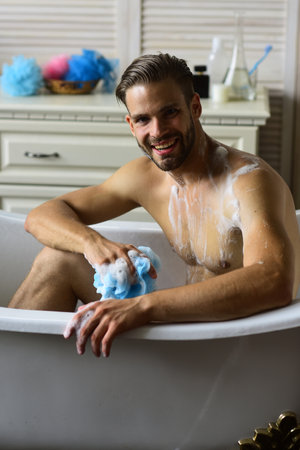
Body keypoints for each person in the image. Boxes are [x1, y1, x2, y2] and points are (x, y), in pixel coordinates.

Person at [9, 53, 300, 358]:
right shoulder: (146, 178)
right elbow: (40, 217)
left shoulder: (247, 180)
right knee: (58, 259)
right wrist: (92, 242)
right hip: (183, 332)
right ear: (130, 124)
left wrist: (143, 306)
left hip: (237, 349)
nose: (158, 131)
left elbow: (274, 280)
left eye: (170, 112)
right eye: (143, 119)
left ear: (195, 108)